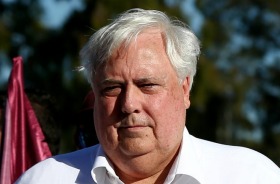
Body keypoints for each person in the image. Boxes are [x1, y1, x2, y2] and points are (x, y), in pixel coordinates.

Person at [15, 8, 280, 184]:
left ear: (185, 89)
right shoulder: (44, 179)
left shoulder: (251, 175)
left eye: (148, 85)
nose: (129, 104)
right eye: (112, 88)